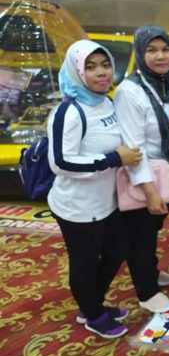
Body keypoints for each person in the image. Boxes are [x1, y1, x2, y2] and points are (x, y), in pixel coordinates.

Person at [48, 40, 142, 338]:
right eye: (90, 67)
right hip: (77, 206)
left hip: (107, 201)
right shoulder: (69, 112)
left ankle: (92, 303)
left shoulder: (107, 102)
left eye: (105, 65)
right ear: (76, 73)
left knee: (118, 250)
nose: (101, 72)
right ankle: (92, 312)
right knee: (84, 263)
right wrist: (113, 159)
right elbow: (60, 162)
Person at [114, 26, 169, 314]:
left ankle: (151, 272)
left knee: (153, 228)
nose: (160, 56)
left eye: (165, 49)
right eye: (151, 50)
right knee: (141, 234)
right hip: (144, 172)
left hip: (165, 167)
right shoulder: (130, 91)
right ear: (140, 54)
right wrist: (150, 191)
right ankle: (147, 290)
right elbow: (134, 147)